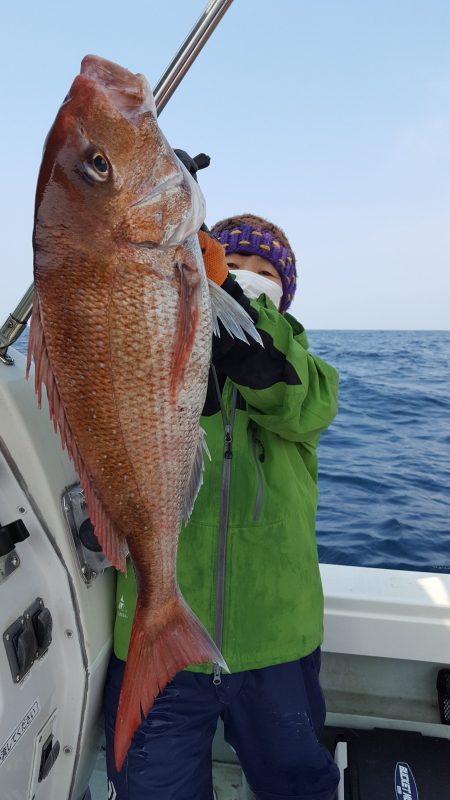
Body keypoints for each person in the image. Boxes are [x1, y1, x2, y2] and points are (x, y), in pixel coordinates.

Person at [103, 208, 340, 800]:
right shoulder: (159, 356)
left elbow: (291, 394)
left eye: (265, 272)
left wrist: (230, 301)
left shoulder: (304, 373)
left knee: (298, 787)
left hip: (276, 645)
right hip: (159, 644)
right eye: (231, 262)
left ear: (283, 296)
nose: (247, 275)